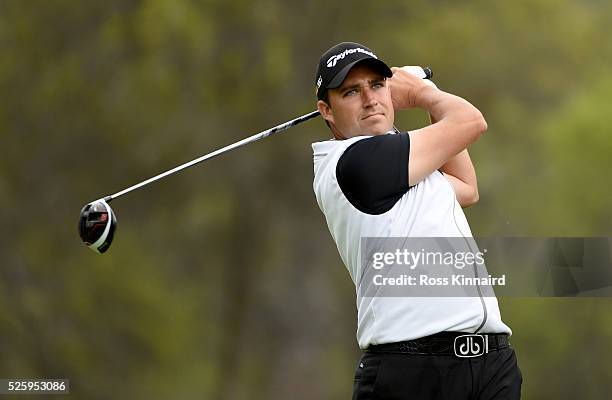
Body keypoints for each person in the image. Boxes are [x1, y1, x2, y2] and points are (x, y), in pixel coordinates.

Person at [311, 42, 522, 399]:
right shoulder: (353, 163)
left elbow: (466, 188)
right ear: (326, 111)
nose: (369, 99)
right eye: (351, 91)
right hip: (412, 372)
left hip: (489, 363)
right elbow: (471, 121)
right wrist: (422, 92)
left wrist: (430, 94)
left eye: (378, 85)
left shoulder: (403, 163)